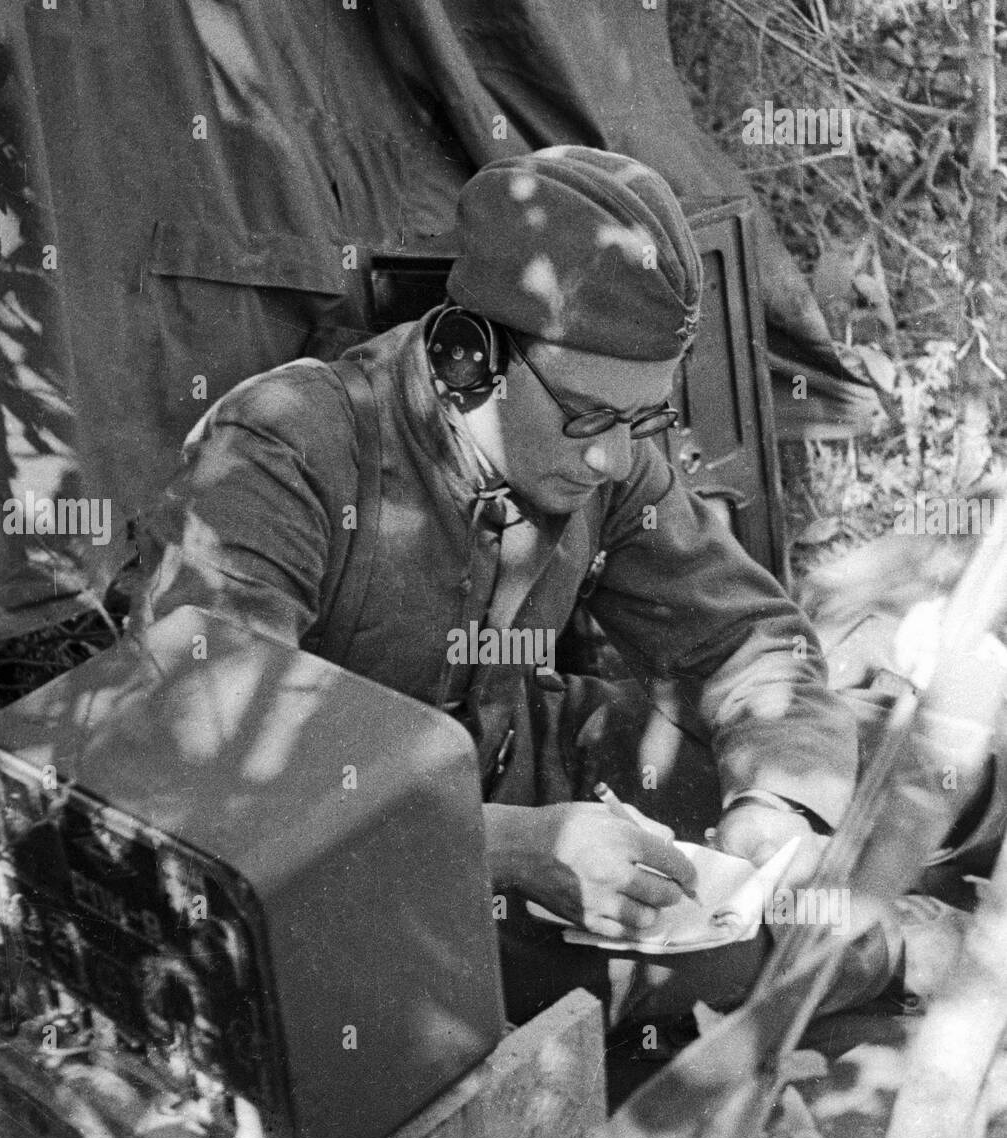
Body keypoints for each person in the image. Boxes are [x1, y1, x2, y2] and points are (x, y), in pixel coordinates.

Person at [135, 146, 898, 1033]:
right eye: (588, 418)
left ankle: (851, 926)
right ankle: (887, 948)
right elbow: (212, 746)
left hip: (530, 760)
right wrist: (505, 847)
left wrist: (774, 809)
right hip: (347, 853)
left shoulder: (609, 454)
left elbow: (743, 638)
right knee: (704, 972)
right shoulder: (283, 449)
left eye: (642, 418)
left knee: (874, 770)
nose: (614, 457)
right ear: (468, 358)